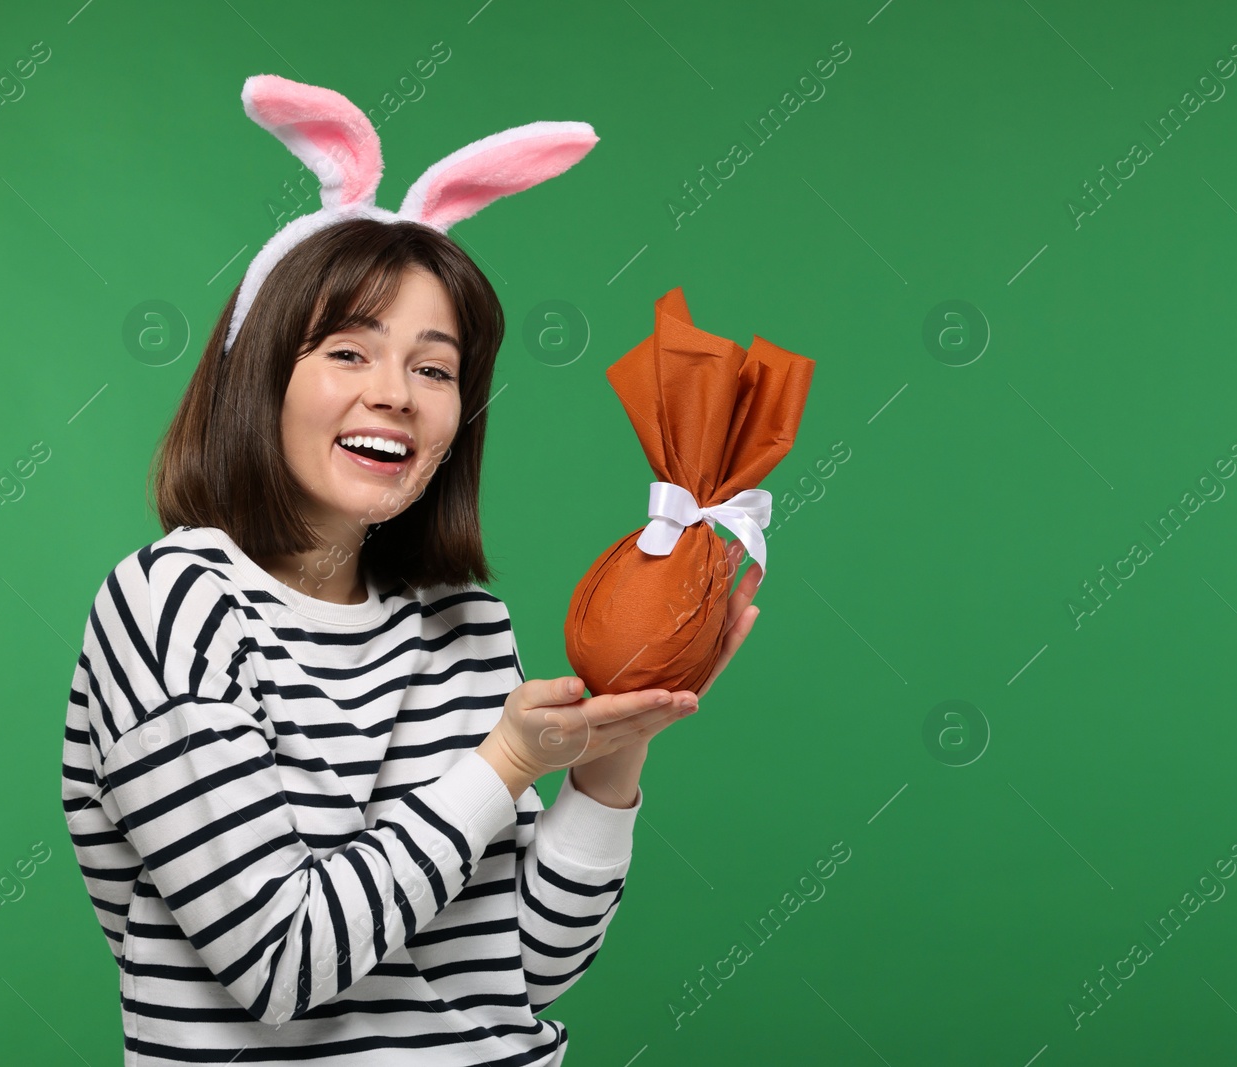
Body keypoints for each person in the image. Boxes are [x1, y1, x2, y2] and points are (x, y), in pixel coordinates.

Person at [59, 216, 763, 1065]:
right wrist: (504, 762)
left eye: (434, 367)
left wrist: (611, 758)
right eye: (348, 352)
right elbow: (279, 963)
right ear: (258, 376)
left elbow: (525, 971)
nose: (395, 392)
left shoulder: (464, 625)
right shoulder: (173, 603)